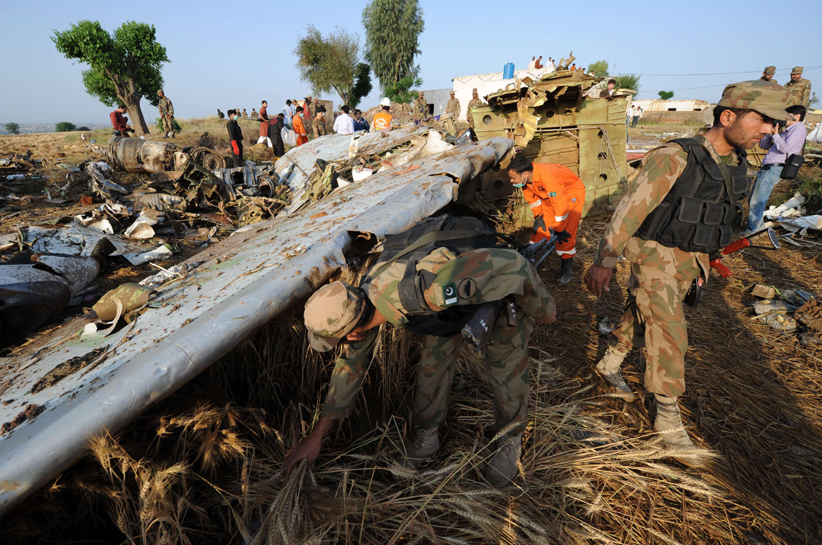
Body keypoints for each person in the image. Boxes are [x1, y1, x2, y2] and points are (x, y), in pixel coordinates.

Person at [583, 80, 788, 467]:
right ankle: (667, 418)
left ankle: (609, 363)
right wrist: (604, 261)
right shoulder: (675, 156)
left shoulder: (734, 163)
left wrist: (705, 260)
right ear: (728, 116)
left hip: (688, 261)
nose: (769, 130)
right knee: (670, 330)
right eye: (763, 120)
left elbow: (712, 217)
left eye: (774, 124)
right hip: (654, 256)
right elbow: (630, 210)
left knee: (644, 314)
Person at [282, 217, 557, 487]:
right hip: (448, 313)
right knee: (431, 367)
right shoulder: (360, 302)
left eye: (338, 342)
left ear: (352, 331)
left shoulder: (430, 291)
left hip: (494, 290)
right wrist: (316, 436)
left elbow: (515, 267)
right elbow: (349, 369)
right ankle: (427, 436)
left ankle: (510, 440)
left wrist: (544, 310)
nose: (344, 346)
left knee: (505, 367)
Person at [508, 157, 585, 285]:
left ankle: (567, 272)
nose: (511, 180)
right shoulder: (526, 181)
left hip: (570, 196)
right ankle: (532, 266)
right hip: (550, 198)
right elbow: (533, 201)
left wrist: (559, 229)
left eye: (513, 178)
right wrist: (539, 218)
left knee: (565, 236)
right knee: (540, 232)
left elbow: (561, 208)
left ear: (525, 174)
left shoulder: (548, 178)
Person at [746, 104, 808, 232]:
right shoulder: (784, 130)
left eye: (786, 115)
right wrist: (770, 132)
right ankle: (756, 226)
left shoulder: (799, 129)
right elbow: (764, 145)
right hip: (769, 166)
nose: (783, 118)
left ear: (796, 116)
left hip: (775, 167)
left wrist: (776, 134)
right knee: (755, 198)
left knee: (757, 200)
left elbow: (785, 148)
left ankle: (754, 230)